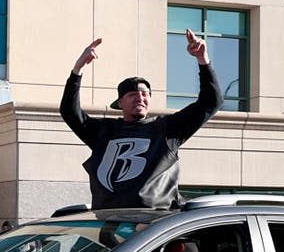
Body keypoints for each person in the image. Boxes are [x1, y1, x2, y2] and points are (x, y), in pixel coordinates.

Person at [60, 31, 222, 210]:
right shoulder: (103, 131)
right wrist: (78, 69)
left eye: (145, 94)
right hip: (108, 222)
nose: (140, 98)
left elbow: (211, 101)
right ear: (120, 103)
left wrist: (202, 59)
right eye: (132, 94)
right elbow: (69, 111)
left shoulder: (168, 129)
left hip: (154, 226)